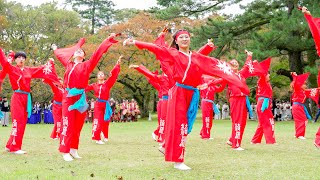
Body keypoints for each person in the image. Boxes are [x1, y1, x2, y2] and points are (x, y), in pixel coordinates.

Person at [124, 29, 248, 170]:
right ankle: (178, 160)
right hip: (180, 92)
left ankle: (167, 147)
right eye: (181, 37)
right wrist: (135, 42)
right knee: (180, 125)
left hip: (192, 93)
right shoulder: (174, 53)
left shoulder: (195, 56)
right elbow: (156, 48)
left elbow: (210, 63)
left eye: (186, 37)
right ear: (176, 41)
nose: (184, 39)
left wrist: (229, 73)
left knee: (185, 125)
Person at [52, 33, 119, 161]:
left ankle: (74, 149)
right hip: (68, 96)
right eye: (76, 50)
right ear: (74, 54)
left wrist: (107, 40)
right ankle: (65, 150)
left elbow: (97, 54)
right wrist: (55, 49)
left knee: (78, 125)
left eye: (81, 51)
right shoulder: (68, 64)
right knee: (68, 122)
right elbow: (61, 55)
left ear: (83, 56)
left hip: (81, 98)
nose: (78, 51)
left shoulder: (87, 65)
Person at [0, 49, 59, 154]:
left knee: (22, 122)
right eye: (18, 58)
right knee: (17, 121)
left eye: (23, 57)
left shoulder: (28, 70)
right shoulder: (11, 68)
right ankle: (15, 147)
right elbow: (4, 61)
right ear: (15, 60)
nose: (21, 59)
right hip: (17, 96)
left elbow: (41, 69)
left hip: (26, 98)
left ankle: (10, 145)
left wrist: (50, 63)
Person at [225, 50, 264, 150]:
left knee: (242, 121)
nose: (234, 64)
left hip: (243, 99)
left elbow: (247, 66)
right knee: (237, 121)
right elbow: (218, 80)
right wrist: (207, 84)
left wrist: (249, 56)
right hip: (235, 99)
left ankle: (232, 139)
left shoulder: (241, 74)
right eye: (232, 63)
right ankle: (236, 144)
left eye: (236, 63)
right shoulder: (228, 75)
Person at [86, 56, 121, 144]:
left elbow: (113, 77)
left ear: (104, 76)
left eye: (102, 74)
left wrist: (117, 65)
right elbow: (84, 88)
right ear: (97, 77)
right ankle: (97, 138)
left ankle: (105, 135)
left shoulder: (107, 84)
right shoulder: (94, 85)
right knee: (98, 120)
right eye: (99, 74)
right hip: (98, 104)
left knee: (106, 121)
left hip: (106, 104)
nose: (101, 75)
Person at [251, 58, 276, 144]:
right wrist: (256, 63)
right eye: (268, 74)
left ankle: (255, 140)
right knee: (268, 121)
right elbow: (261, 72)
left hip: (266, 102)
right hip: (262, 103)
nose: (269, 76)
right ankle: (270, 140)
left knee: (263, 122)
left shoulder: (267, 84)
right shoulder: (262, 81)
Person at [290, 72, 318, 139]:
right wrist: (294, 76)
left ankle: (297, 133)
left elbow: (314, 90)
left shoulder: (304, 91)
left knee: (299, 120)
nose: (305, 86)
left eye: (306, 84)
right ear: (300, 85)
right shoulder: (297, 89)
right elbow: (295, 83)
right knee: (303, 120)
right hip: (297, 106)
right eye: (304, 84)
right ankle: (300, 135)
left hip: (299, 106)